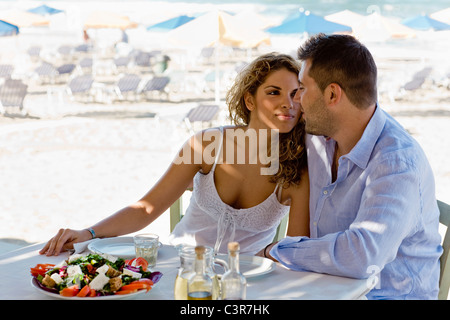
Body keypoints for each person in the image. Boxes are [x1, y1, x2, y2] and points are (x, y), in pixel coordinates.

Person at [40, 53, 310, 257]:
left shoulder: (299, 169)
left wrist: (256, 258)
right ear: (249, 100)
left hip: (247, 280)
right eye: (273, 92)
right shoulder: (206, 145)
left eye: (295, 94)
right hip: (180, 267)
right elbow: (146, 209)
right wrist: (87, 233)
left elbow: (295, 249)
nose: (288, 103)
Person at [258, 34, 443, 300]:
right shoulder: (317, 136)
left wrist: (274, 251)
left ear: (332, 94)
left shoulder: (397, 163)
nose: (297, 99)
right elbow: (259, 129)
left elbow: (361, 255)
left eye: (302, 88)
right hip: (326, 292)